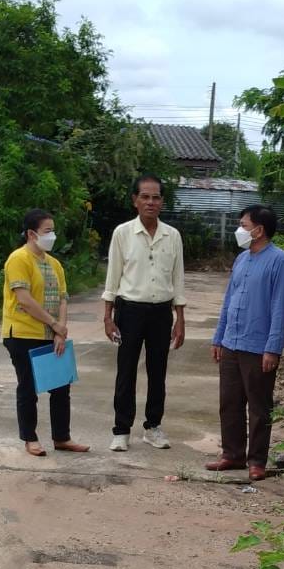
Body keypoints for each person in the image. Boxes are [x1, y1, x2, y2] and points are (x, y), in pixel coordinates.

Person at [207, 205, 284, 482]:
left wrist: (273, 348)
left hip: (258, 347)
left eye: (244, 225)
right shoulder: (242, 259)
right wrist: (218, 337)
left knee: (258, 406)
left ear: (259, 229)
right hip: (231, 341)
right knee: (229, 402)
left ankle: (257, 460)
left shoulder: (279, 261)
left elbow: (281, 308)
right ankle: (232, 454)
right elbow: (229, 301)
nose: (240, 230)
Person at [102, 174, 185, 452]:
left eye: (156, 197)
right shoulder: (122, 233)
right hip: (129, 310)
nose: (151, 202)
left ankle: (153, 426)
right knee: (126, 371)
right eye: (145, 197)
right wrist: (108, 316)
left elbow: (178, 279)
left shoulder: (172, 236)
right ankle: (121, 430)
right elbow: (113, 277)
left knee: (157, 371)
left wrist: (180, 319)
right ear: (135, 200)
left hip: (161, 312)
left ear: (162, 202)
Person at [1, 208, 90, 458]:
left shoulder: (55, 264)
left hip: (51, 334)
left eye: (53, 230)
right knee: (28, 387)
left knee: (61, 386)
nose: (52, 236)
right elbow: (25, 299)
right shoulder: (18, 259)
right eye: (47, 231)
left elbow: (62, 298)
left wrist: (60, 330)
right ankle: (30, 438)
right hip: (22, 334)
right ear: (31, 234)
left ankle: (62, 437)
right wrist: (54, 324)